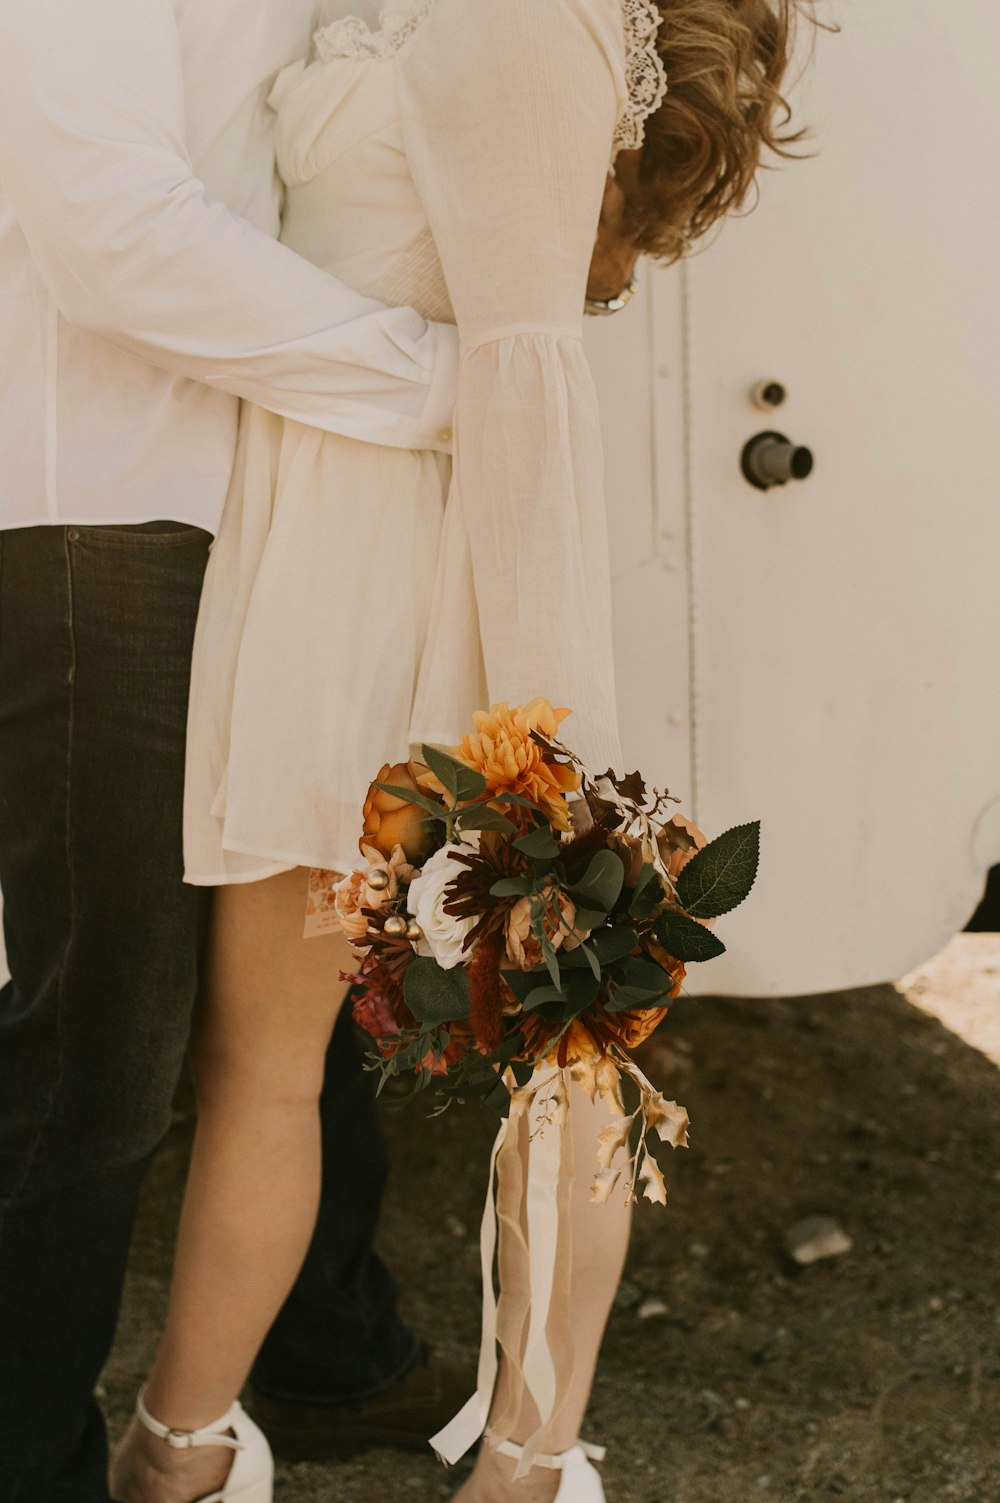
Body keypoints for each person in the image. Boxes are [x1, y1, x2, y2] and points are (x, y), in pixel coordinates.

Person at [105, 3, 808, 1502]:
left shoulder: (526, 16)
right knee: (258, 1065)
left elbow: (526, 376)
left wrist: (553, 750)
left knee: (563, 1049)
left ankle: (532, 1460)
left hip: (432, 597)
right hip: (307, 588)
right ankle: (181, 1447)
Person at [0, 1, 655, 1497]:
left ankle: (439, 1413)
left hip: (341, 548)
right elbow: (118, 233)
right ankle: (116, 1451)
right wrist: (443, 386)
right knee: (172, 1055)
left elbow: (522, 307)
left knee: (433, 1027)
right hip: (193, 535)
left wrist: (554, 719)